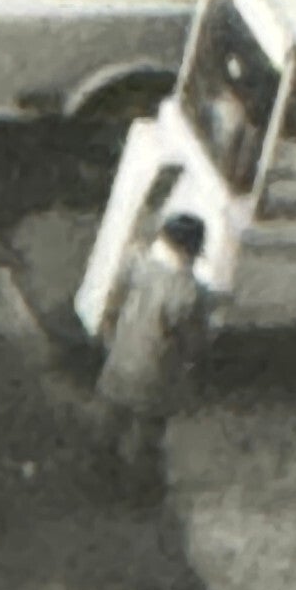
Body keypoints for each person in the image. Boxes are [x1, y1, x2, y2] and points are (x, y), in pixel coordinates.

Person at [96, 214, 213, 506]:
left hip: (120, 360)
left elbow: (112, 305)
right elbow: (192, 341)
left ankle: (97, 486)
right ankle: (143, 497)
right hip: (155, 374)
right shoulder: (186, 291)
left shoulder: (136, 263)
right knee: (148, 439)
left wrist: (111, 337)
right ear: (188, 251)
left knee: (111, 428)